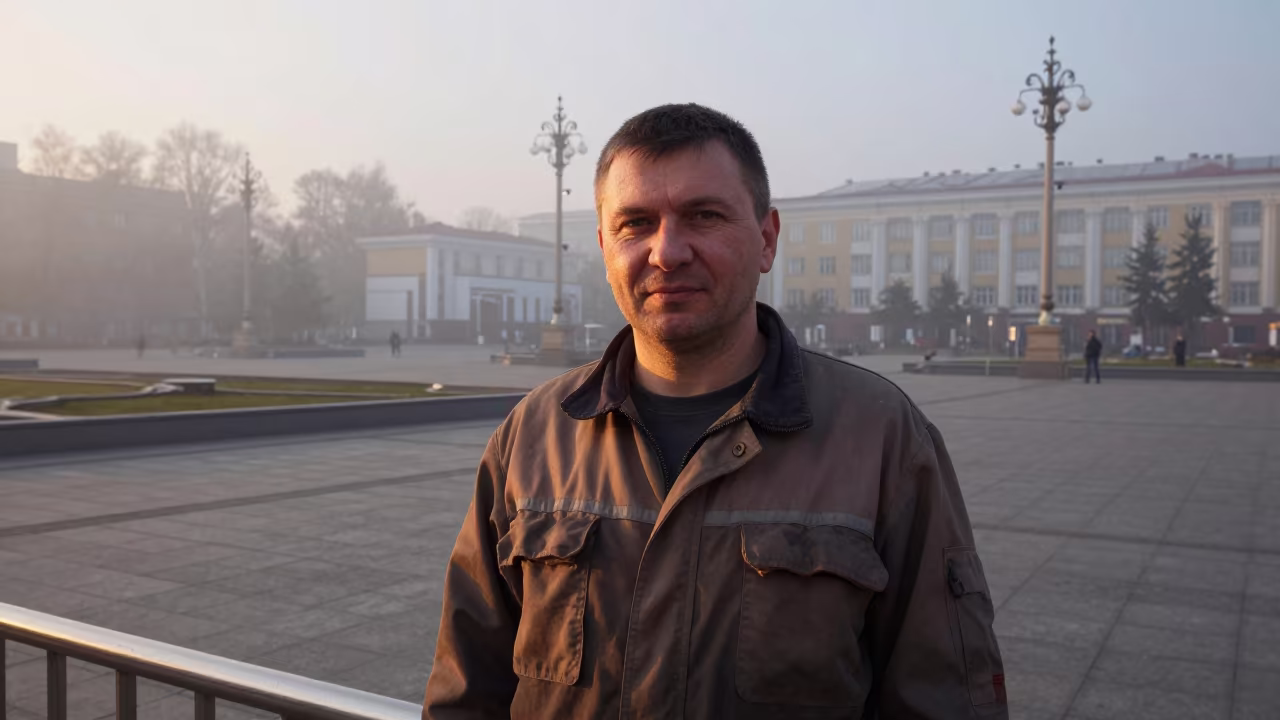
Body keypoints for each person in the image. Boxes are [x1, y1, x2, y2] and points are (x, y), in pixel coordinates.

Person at [424, 104, 1006, 719]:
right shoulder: (535, 435)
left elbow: (944, 697)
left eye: (704, 216)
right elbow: (466, 691)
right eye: (636, 223)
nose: (667, 252)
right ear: (604, 246)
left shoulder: (883, 437)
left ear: (767, 239)